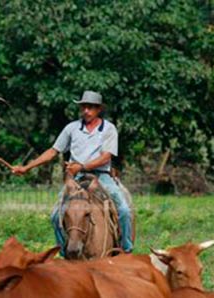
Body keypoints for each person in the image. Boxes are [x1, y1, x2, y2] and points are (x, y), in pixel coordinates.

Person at [11, 90, 134, 253]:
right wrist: (26, 168)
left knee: (124, 210)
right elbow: (53, 151)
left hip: (101, 176)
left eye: (91, 108)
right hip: (76, 178)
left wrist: (81, 166)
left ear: (98, 109)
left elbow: (105, 157)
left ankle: (126, 248)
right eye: (83, 107)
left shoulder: (109, 129)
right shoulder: (72, 128)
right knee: (56, 215)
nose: (86, 111)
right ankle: (64, 251)